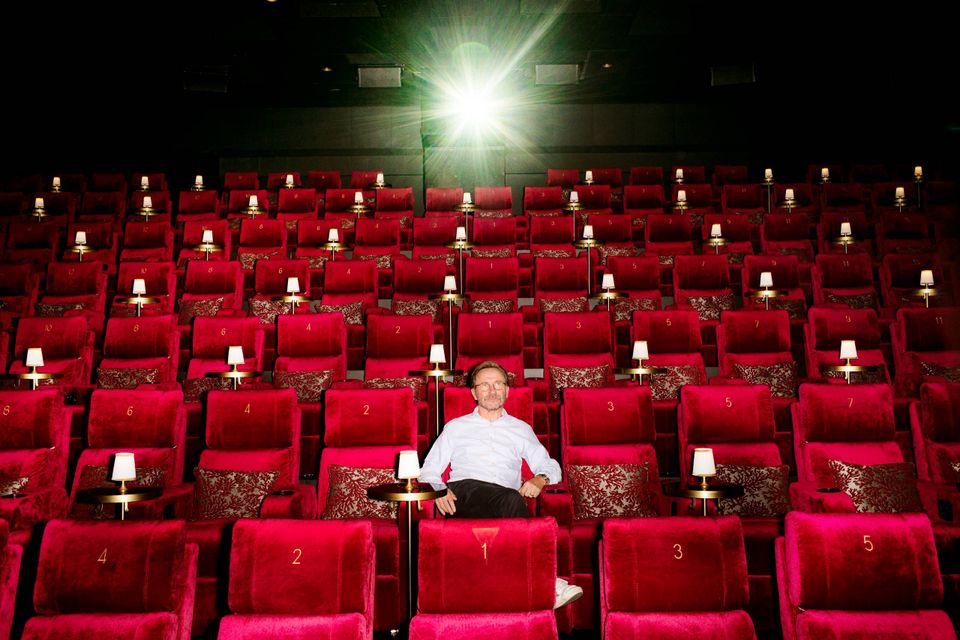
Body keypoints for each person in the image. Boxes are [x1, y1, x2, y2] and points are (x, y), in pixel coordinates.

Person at [418, 360, 582, 609]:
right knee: (512, 498)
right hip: (464, 494)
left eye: (498, 384)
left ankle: (522, 587)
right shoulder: (455, 427)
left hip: (504, 501)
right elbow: (428, 471)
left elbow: (551, 467)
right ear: (474, 393)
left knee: (509, 500)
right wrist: (439, 490)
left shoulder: (521, 429)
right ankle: (547, 583)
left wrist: (540, 479)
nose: (492, 390)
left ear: (507, 390)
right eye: (484, 385)